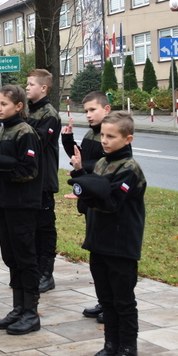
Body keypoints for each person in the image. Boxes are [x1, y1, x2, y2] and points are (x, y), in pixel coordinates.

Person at [69, 111, 147, 356]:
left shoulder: (129, 169)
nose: (104, 140)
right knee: (106, 299)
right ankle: (111, 347)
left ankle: (128, 353)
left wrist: (86, 192)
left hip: (121, 244)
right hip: (99, 241)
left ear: (128, 139)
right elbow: (89, 199)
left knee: (123, 301)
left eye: (111, 136)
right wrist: (81, 176)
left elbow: (112, 203)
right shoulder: (102, 163)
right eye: (103, 135)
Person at [0, 84, 42, 335]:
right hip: (4, 202)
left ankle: (31, 313)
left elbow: (28, 170)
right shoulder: (3, 129)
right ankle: (18, 308)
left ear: (19, 106)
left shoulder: (26, 133)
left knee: (25, 258)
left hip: (22, 204)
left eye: (4, 104)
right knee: (11, 257)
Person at [62, 91, 112, 321]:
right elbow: (81, 159)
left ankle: (111, 306)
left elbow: (103, 166)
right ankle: (103, 302)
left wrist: (82, 169)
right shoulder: (92, 133)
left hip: (104, 201)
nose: (89, 115)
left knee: (107, 259)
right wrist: (68, 140)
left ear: (107, 109)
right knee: (96, 259)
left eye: (93, 110)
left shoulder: (111, 134)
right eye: (86, 111)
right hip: (90, 200)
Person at [25, 69, 60, 294]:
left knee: (45, 228)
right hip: (29, 178)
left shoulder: (49, 114)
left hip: (44, 179)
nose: (27, 87)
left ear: (43, 88)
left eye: (31, 84)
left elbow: (36, 143)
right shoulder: (27, 110)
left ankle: (46, 273)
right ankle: (34, 270)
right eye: (27, 84)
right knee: (32, 227)